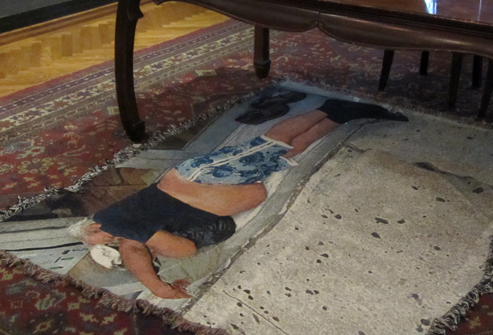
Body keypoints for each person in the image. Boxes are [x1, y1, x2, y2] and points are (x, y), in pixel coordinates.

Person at [69, 97, 407, 299]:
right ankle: (343, 114)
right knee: (290, 150)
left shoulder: (115, 222)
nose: (106, 242)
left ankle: (326, 108)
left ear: (94, 226)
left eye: (96, 239)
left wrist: (155, 285)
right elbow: (172, 249)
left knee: (271, 143)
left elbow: (134, 249)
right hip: (208, 190)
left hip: (195, 179)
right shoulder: (136, 235)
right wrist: (155, 269)